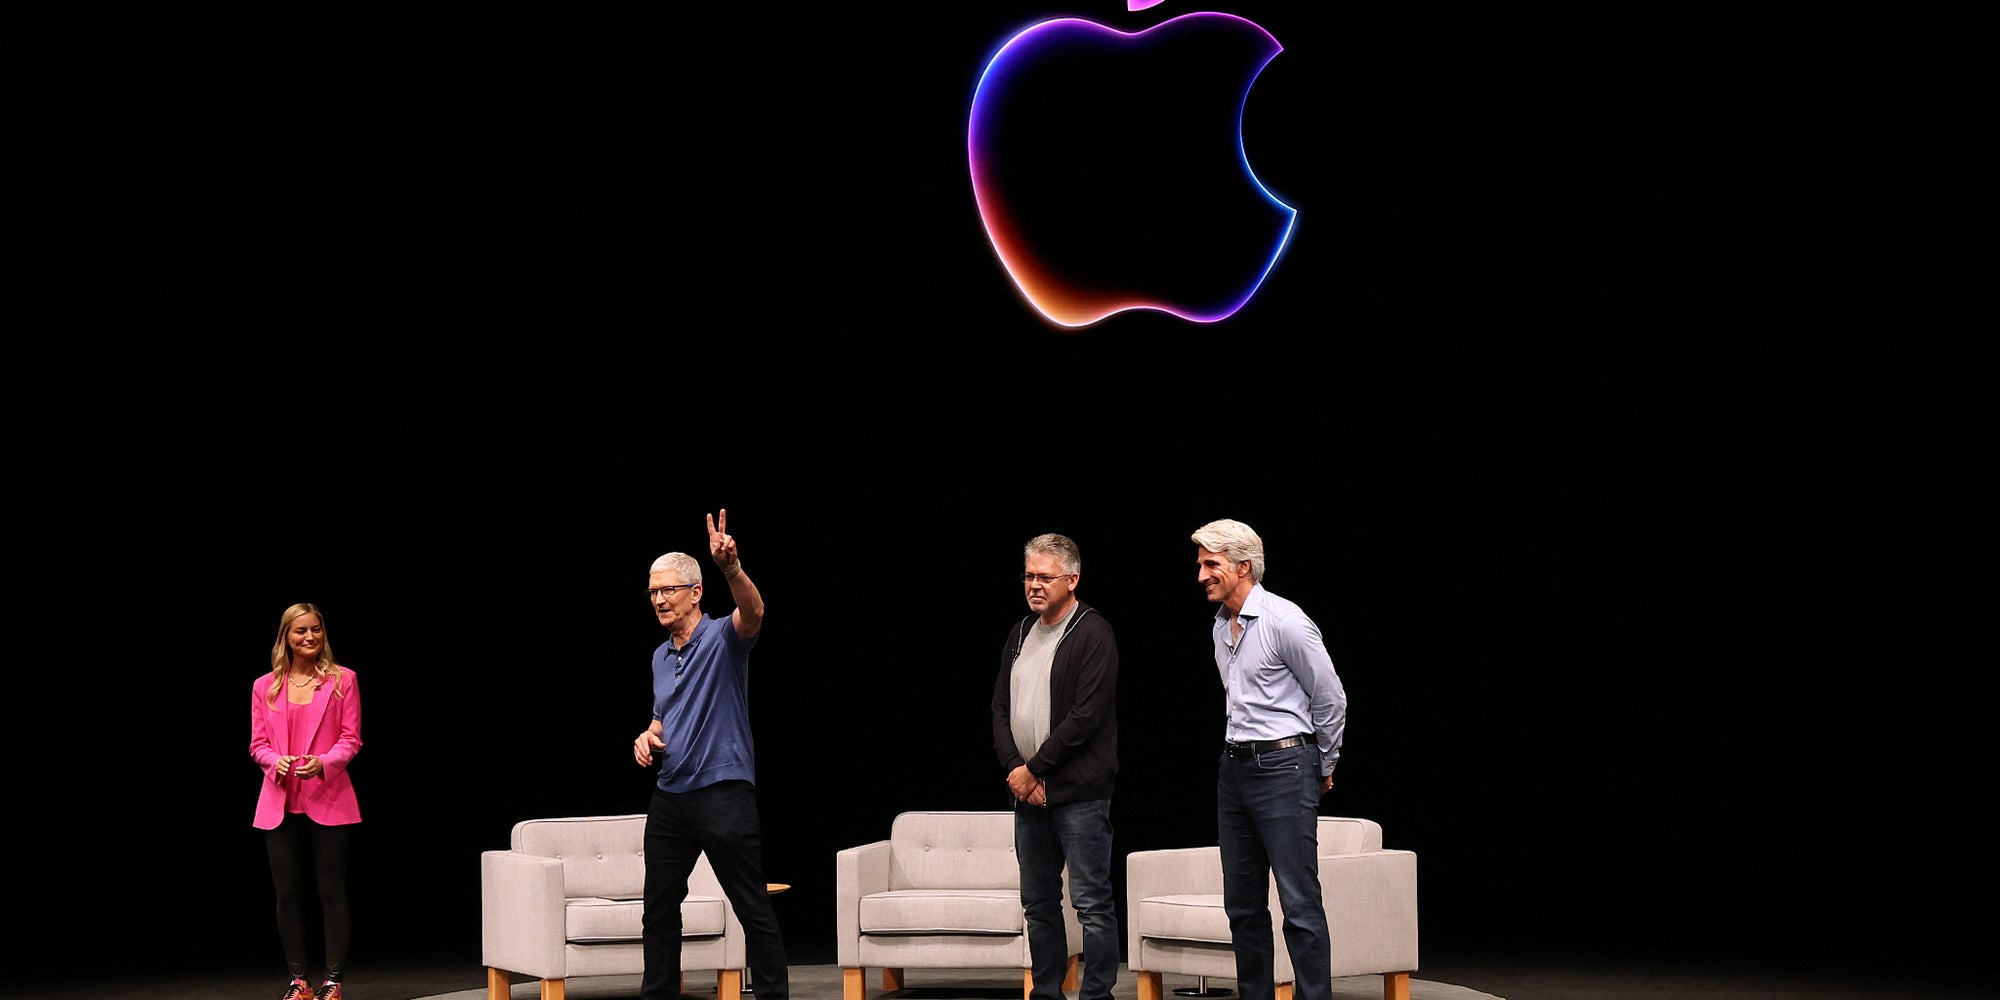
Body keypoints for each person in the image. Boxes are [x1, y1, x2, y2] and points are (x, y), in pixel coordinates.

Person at [632, 509, 788, 1000]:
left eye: (668, 590)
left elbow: (755, 612)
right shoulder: (660, 655)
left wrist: (731, 568)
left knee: (750, 906)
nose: (659, 599)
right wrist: (647, 735)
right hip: (671, 798)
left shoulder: (723, 639)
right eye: (653, 591)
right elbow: (664, 716)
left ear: (694, 593)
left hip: (723, 793)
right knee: (659, 909)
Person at [1190, 518, 1346, 1000]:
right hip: (1234, 768)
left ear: (1243, 567)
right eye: (1200, 564)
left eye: (1211, 565)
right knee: (1241, 905)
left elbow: (1330, 699)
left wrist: (1322, 764)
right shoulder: (1220, 628)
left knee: (1298, 903)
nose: (1201, 575)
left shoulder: (1285, 621)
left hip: (1284, 766)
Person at [991, 532, 1121, 1000]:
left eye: (1045, 577)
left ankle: (1097, 995)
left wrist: (1037, 771)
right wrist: (1015, 770)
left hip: (1079, 794)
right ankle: (1046, 991)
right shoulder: (1021, 631)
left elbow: (1084, 719)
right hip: (1026, 791)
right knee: (1039, 904)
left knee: (1091, 903)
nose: (1034, 585)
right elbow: (1000, 709)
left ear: (1072, 579)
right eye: (1028, 576)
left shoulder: (1093, 632)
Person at [248, 602, 364, 1000]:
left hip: (329, 797)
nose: (310, 637)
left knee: (331, 891)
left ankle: (333, 981)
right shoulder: (266, 685)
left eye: (316, 629)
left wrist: (325, 763)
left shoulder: (342, 680)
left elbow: (351, 738)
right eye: (301, 631)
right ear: (287, 637)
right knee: (288, 894)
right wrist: (271, 760)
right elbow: (257, 743)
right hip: (280, 801)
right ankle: (299, 981)